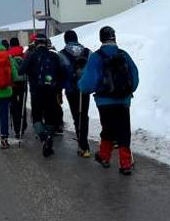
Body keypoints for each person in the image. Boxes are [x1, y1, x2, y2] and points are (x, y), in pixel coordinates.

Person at [79, 26, 139, 175]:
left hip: (104, 102)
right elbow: (134, 77)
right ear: (114, 38)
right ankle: (125, 164)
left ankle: (104, 156)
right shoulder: (124, 55)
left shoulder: (96, 57)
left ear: (101, 39)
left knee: (108, 128)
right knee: (124, 131)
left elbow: (88, 84)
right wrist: (128, 91)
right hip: (123, 101)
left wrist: (80, 85)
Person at [22, 33, 66, 157]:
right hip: (51, 91)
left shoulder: (32, 55)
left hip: (36, 91)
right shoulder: (53, 55)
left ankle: (43, 136)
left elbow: (21, 70)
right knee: (49, 116)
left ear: (35, 43)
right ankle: (49, 136)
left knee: (36, 116)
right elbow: (62, 72)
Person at [59, 30, 92, 157]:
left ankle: (82, 145)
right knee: (84, 115)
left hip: (71, 90)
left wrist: (60, 88)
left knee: (76, 116)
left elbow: (60, 73)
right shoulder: (88, 52)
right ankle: (85, 145)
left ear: (66, 40)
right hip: (84, 89)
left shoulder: (61, 54)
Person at [8, 37, 28, 139]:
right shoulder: (24, 54)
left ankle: (16, 129)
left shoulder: (8, 55)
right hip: (23, 82)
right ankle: (23, 126)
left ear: (10, 44)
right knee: (22, 104)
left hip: (12, 84)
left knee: (14, 105)